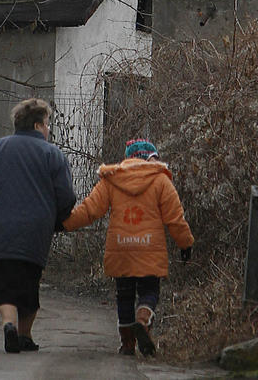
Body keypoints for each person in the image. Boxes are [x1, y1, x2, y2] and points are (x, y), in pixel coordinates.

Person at [62, 137, 194, 357]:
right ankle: (143, 320)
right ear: (151, 158)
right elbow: (175, 218)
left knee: (123, 296)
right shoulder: (161, 181)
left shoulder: (112, 180)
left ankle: (127, 344)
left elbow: (90, 210)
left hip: (120, 248)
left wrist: (65, 223)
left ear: (128, 158)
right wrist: (185, 242)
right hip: (150, 249)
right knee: (149, 291)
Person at [0, 97, 75, 354]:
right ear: (39, 125)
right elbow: (67, 197)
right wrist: (59, 217)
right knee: (30, 283)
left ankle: (8, 324)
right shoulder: (53, 155)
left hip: (2, 228)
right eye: (47, 123)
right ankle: (25, 335)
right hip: (36, 232)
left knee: (4, 283)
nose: (48, 128)